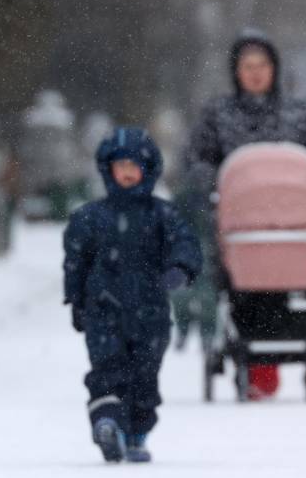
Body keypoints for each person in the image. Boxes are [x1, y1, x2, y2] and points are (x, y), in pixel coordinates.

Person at [182, 29, 306, 398]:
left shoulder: (297, 114)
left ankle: (271, 362)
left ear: (274, 68)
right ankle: (259, 367)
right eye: (247, 66)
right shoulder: (218, 114)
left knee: (285, 284)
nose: (255, 73)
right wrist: (213, 180)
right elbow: (196, 158)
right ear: (236, 71)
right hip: (241, 223)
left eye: (262, 65)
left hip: (291, 223)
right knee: (244, 291)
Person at [63, 127, 202, 463]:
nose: (126, 173)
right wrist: (76, 301)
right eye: (120, 166)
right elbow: (75, 261)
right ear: (108, 170)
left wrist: (180, 268)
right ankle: (107, 422)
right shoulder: (90, 218)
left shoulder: (162, 215)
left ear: (148, 170)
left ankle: (137, 433)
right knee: (107, 370)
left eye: (133, 166)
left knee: (144, 375)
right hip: (103, 311)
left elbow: (185, 243)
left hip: (150, 313)